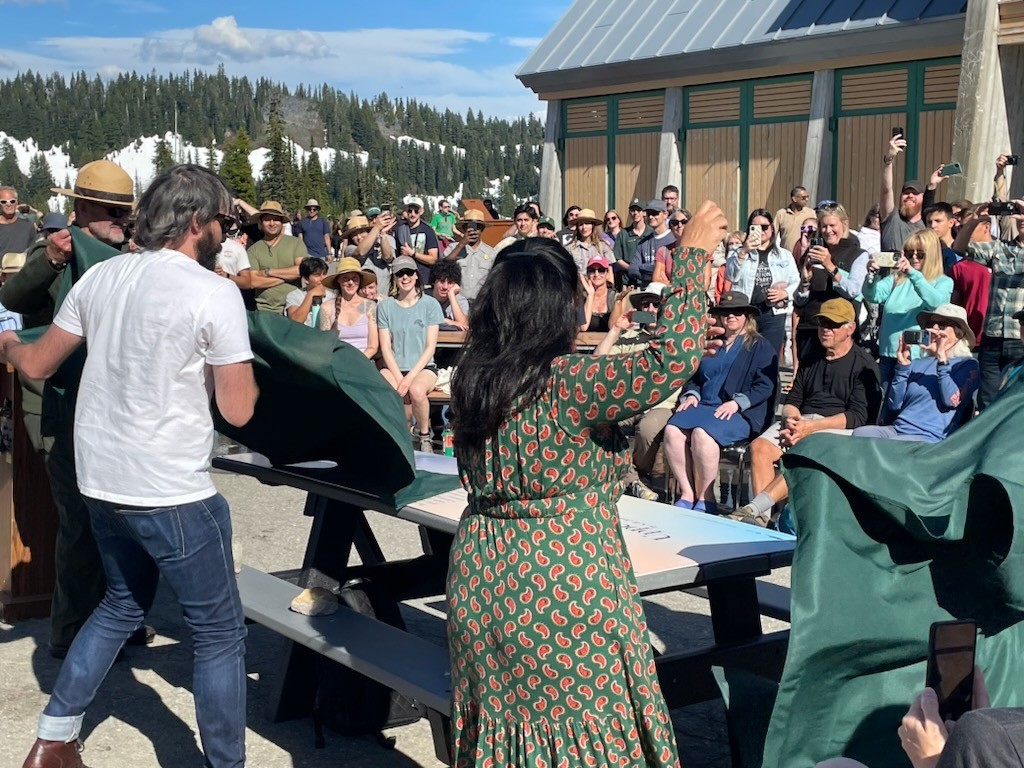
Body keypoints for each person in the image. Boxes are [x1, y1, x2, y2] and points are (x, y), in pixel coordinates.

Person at [447, 201, 727, 768]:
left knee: (508, 740)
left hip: (482, 575)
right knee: (586, 744)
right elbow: (671, 359)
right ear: (558, 309)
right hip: (564, 580)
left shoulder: (474, 380)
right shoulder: (570, 386)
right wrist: (692, 257)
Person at [6, 164, 257, 768]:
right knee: (220, 636)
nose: (226, 229)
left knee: (119, 603)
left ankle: (54, 738)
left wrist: (10, 345)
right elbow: (239, 411)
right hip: (171, 487)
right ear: (197, 219)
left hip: (100, 479)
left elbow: (36, 364)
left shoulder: (102, 278)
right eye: (222, 218)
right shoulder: (213, 290)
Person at [0, 159, 157, 659]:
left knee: (122, 520)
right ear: (82, 207)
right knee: (78, 521)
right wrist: (48, 257)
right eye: (111, 211)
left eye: (124, 212)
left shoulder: (127, 254)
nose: (120, 220)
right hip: (56, 407)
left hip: (115, 410)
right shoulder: (54, 251)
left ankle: (120, 618)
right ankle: (69, 629)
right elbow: (14, 296)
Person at [734, 298, 881, 527]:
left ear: (850, 328)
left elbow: (858, 417)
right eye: (822, 323)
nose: (825, 330)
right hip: (801, 421)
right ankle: (762, 521)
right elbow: (793, 399)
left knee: (808, 450)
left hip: (836, 429)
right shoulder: (811, 356)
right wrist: (791, 421)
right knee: (760, 447)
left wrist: (809, 428)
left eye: (832, 325)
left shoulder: (864, 364)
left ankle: (755, 509)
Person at [663, 291, 777, 513]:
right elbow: (694, 377)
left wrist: (738, 403)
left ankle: (706, 498)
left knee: (701, 434)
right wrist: (691, 395)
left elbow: (765, 386)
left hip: (739, 412)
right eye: (725, 312)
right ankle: (687, 493)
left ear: (747, 316)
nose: (731, 316)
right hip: (704, 405)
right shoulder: (711, 343)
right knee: (672, 430)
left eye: (737, 312)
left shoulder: (760, 346)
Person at [852, 304, 978, 442]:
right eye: (931, 323)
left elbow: (951, 401)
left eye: (942, 325)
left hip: (929, 437)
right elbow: (894, 404)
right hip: (898, 430)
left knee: (891, 446)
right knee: (860, 434)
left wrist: (942, 359)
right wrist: (903, 366)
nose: (933, 329)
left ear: (958, 334)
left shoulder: (967, 365)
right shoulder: (917, 363)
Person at [952, 197, 1024, 409]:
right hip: (992, 335)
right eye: (1018, 213)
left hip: (1019, 337)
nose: (1021, 218)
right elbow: (959, 248)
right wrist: (974, 221)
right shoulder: (999, 248)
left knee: (1016, 400)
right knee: (987, 400)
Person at [863, 228, 953, 391]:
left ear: (931, 254)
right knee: (885, 409)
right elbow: (872, 295)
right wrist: (871, 275)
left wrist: (913, 274)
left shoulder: (943, 282)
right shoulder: (897, 278)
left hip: (918, 357)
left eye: (920, 254)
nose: (914, 258)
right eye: (910, 253)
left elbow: (935, 303)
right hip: (887, 355)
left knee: (909, 405)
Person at [376, 255, 443, 453]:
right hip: (394, 365)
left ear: (416, 275)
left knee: (416, 391)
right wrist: (399, 378)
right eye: (400, 274)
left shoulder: (430, 305)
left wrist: (409, 378)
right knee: (387, 389)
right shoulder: (385, 306)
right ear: (394, 278)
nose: (405, 277)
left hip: (423, 367)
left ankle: (424, 435)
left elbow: (430, 347)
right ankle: (395, 433)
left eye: (408, 272)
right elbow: (385, 347)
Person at [793, 203, 870, 364]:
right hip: (810, 328)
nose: (828, 231)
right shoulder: (812, 252)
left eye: (832, 225)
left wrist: (830, 266)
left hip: (839, 332)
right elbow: (799, 301)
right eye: (824, 226)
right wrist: (805, 282)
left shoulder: (858, 255)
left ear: (845, 224)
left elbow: (853, 291)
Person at [725, 209, 800, 356]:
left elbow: (796, 280)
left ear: (772, 229)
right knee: (742, 356)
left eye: (764, 227)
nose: (761, 232)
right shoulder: (737, 251)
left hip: (773, 312)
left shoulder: (784, 255)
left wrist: (785, 293)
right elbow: (731, 276)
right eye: (755, 228)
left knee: (768, 357)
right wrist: (743, 251)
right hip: (746, 312)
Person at [246, 200, 306, 314]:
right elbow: (253, 281)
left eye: (276, 219)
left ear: (282, 222)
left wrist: (268, 272)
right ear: (260, 222)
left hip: (293, 307)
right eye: (267, 219)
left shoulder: (295, 243)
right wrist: (287, 277)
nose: (272, 223)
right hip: (264, 310)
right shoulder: (253, 250)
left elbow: (301, 270)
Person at [319, 256, 378, 358]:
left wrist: (356, 363)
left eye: (354, 278)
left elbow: (373, 346)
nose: (351, 282)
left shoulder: (369, 306)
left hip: (363, 362)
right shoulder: (327, 308)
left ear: (360, 280)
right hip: (337, 362)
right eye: (345, 278)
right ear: (338, 280)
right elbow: (325, 345)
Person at [443, 209, 494, 304]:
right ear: (463, 228)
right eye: (469, 227)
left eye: (477, 227)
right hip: (456, 302)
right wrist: (461, 245)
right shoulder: (453, 248)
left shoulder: (491, 253)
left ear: (482, 229)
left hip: (480, 303)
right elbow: (442, 268)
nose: (473, 231)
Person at [628, 199, 675, 287]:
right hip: (647, 292)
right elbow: (633, 269)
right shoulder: (643, 242)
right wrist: (657, 273)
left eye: (655, 213)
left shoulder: (673, 240)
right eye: (649, 214)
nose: (650, 217)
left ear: (665, 214)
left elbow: (674, 271)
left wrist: (643, 268)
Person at [351, 211, 396, 296]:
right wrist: (377, 228)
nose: (359, 237)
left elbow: (388, 257)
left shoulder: (386, 239)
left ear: (368, 231)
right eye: (354, 235)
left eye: (362, 232)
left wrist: (382, 233)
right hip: (361, 300)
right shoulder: (351, 248)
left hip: (382, 298)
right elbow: (360, 252)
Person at [397, 196, 439, 287]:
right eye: (410, 211)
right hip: (405, 278)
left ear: (421, 211)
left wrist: (412, 253)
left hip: (424, 278)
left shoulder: (428, 230)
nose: (413, 214)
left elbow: (433, 259)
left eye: (416, 211)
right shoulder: (400, 230)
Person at [614, 197, 652, 286]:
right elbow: (617, 258)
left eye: (638, 210)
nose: (635, 213)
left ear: (644, 213)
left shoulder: (651, 232)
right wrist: (631, 269)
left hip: (649, 283)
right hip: (628, 283)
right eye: (632, 210)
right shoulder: (623, 234)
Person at [566, 207, 614, 274]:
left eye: (587, 223)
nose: (584, 227)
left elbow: (610, 272)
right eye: (581, 224)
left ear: (593, 226)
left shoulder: (603, 246)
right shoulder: (570, 249)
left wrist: (611, 284)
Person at [284, 256, 329, 327]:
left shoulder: (332, 295)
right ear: (306, 279)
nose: (322, 278)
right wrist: (310, 294)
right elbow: (295, 321)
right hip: (303, 335)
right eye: (317, 275)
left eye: (324, 274)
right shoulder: (294, 295)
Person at [428, 259, 470, 331]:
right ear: (433, 282)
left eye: (450, 282)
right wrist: (447, 321)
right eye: (441, 281)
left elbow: (463, 325)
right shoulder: (424, 298)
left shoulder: (460, 300)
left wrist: (451, 295)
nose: (445, 287)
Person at [580, 253, 616, 332]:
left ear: (607, 273)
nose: (596, 274)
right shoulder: (581, 297)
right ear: (588, 274)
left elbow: (615, 328)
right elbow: (583, 327)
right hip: (585, 343)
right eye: (592, 270)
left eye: (601, 270)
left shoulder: (615, 297)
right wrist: (590, 296)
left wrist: (619, 302)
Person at [774, 185, 814, 252]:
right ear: (794, 199)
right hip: (786, 256)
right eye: (803, 198)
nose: (806, 200)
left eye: (807, 197)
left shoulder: (811, 214)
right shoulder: (781, 214)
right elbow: (772, 234)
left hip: (805, 255)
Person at [0, 186, 37, 256]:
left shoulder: (28, 227)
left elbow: (33, 254)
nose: (8, 204)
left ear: (16, 203)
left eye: (12, 201)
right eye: (3, 202)